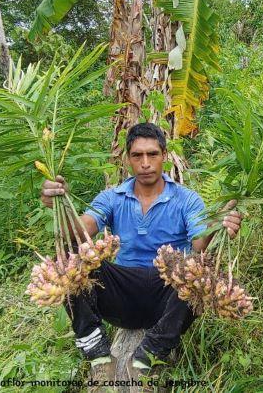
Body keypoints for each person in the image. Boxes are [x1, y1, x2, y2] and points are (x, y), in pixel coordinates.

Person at [39, 122, 243, 371]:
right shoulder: (112, 197)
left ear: (164, 156)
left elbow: (199, 243)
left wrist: (218, 222)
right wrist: (60, 204)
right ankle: (94, 348)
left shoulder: (186, 199)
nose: (145, 163)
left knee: (201, 270)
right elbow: (81, 230)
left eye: (152, 154)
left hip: (168, 296)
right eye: (137, 155)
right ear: (127, 159)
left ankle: (151, 354)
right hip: (120, 296)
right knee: (69, 259)